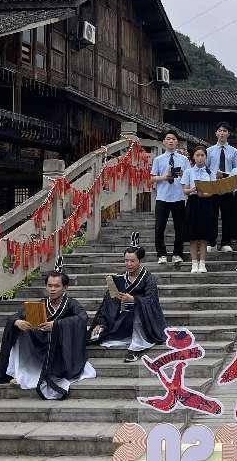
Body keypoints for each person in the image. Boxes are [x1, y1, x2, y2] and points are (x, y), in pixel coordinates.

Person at [0, 258, 95, 399]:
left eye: (56, 286)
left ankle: (52, 372)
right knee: (17, 330)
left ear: (65, 287)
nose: (52, 289)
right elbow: (15, 316)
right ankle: (20, 371)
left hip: (61, 347)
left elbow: (82, 318)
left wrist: (57, 325)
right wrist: (18, 322)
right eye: (49, 286)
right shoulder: (41, 304)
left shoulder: (71, 304)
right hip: (42, 343)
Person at [89, 233, 168, 363]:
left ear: (139, 261)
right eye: (126, 260)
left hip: (144, 318)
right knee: (101, 332)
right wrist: (101, 322)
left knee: (137, 311)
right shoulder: (120, 278)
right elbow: (108, 303)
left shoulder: (149, 278)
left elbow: (152, 301)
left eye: (132, 261)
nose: (129, 264)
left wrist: (134, 300)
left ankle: (136, 348)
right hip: (124, 317)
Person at [150, 129, 187, 266]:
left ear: (177, 142)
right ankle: (161, 254)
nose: (171, 141)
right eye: (168, 139)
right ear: (164, 142)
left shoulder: (183, 159)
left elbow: (189, 177)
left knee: (180, 228)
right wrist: (164, 177)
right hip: (162, 197)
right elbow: (152, 178)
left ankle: (178, 253)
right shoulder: (158, 159)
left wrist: (183, 174)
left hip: (179, 197)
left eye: (173, 139)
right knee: (159, 227)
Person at [181, 145, 217, 273]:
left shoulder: (210, 172)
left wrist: (204, 194)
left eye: (202, 155)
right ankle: (194, 263)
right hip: (193, 203)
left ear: (206, 157)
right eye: (197, 155)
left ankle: (202, 263)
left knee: (203, 236)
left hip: (206, 203)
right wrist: (193, 189)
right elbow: (185, 190)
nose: (200, 158)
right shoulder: (188, 172)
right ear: (193, 157)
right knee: (193, 236)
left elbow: (213, 191)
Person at [206, 122, 237, 252]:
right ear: (216, 133)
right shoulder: (209, 151)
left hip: (227, 185)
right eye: (220, 130)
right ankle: (212, 242)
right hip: (213, 186)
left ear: (228, 134)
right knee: (212, 215)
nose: (222, 133)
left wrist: (226, 175)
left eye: (224, 131)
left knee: (227, 215)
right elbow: (206, 169)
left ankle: (226, 242)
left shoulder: (234, 151)